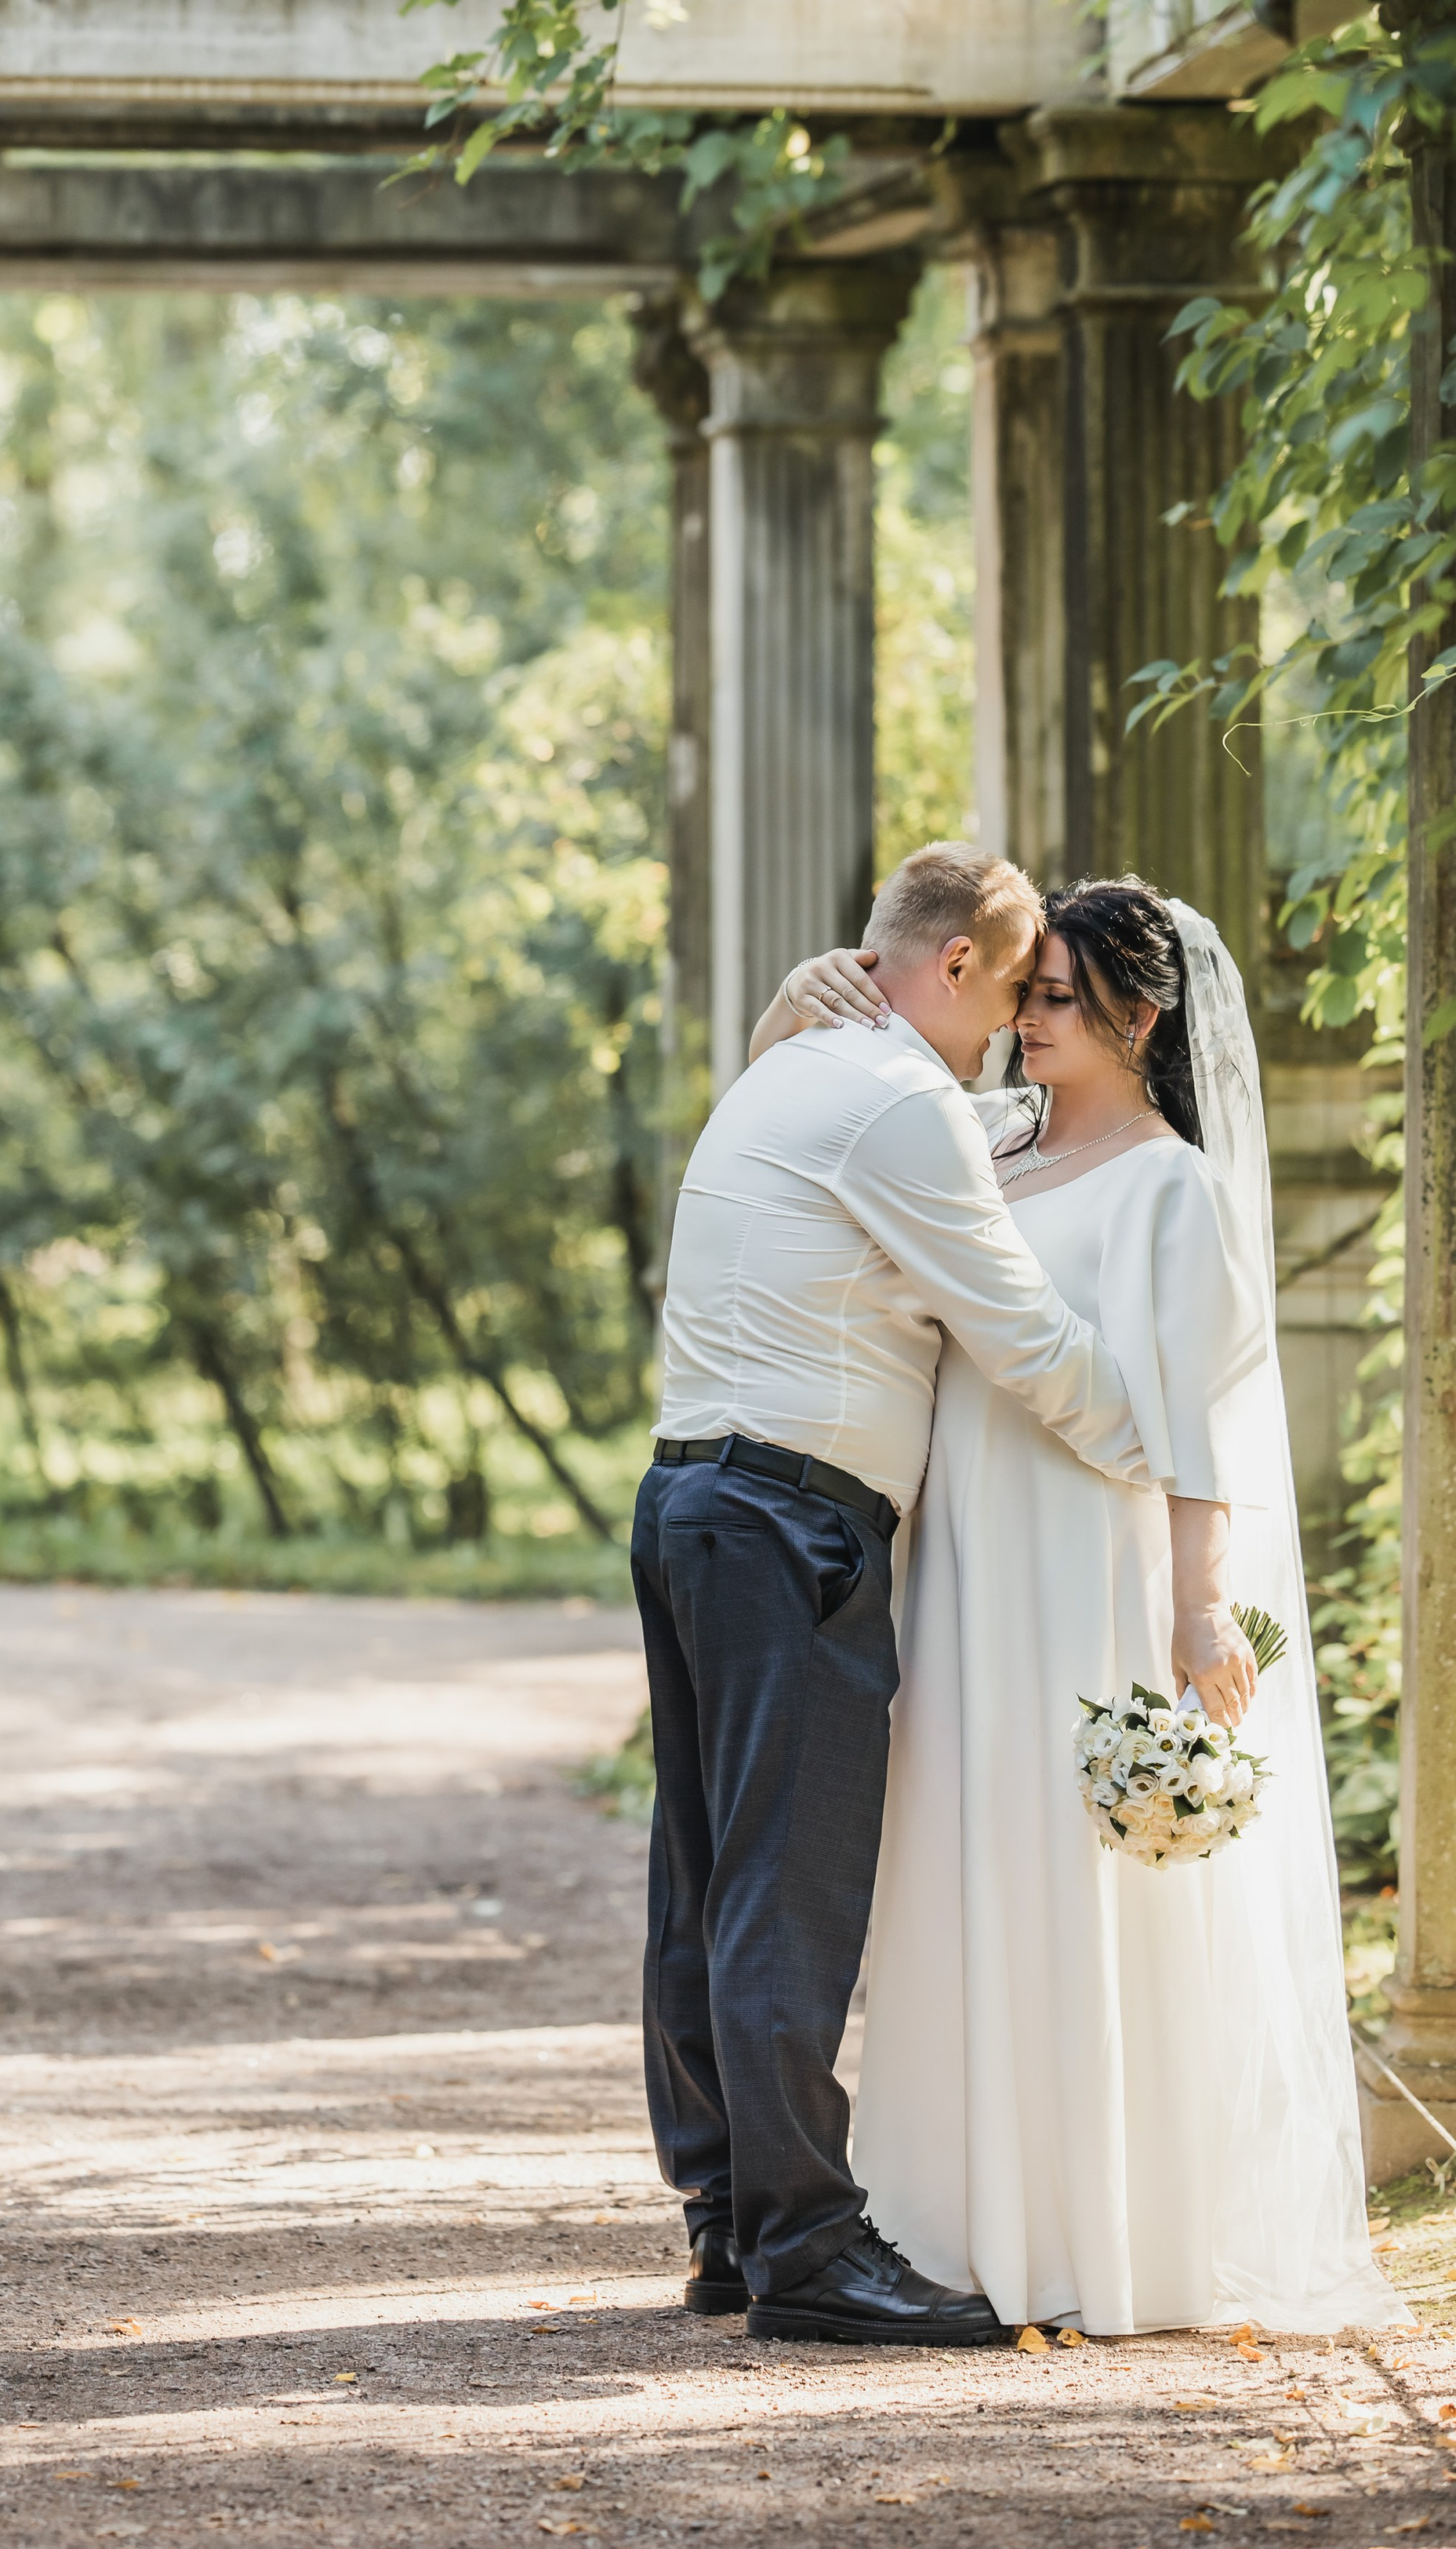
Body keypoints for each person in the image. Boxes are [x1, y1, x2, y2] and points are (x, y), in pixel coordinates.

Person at [781, 878, 1402, 2334]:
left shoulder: (1172, 1187)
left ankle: (1094, 2232)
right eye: (1027, 989)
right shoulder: (982, 1145)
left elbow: (1196, 1423)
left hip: (1084, 1578)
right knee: (951, 1857)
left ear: (1142, 1013)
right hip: (958, 1568)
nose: (1028, 1016)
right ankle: (945, 2221)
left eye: (1059, 994)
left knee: (1071, 1884)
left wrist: (1200, 1615)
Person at [637, 842, 1155, 2348]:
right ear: (947, 971)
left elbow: (1003, 1126)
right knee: (786, 1895)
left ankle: (730, 2222)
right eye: (1006, 992)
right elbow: (1021, 1331)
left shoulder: (802, 1069)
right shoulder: (900, 1105)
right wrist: (1168, 1450)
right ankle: (809, 2249)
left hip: (690, 1499)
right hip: (789, 1518)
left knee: (707, 1878)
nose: (1010, 1028)